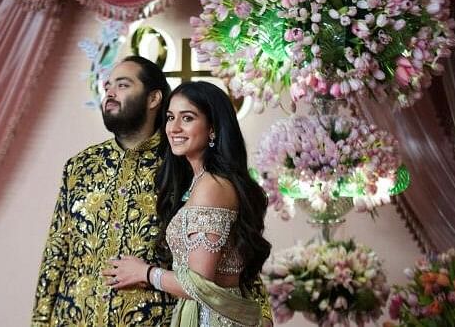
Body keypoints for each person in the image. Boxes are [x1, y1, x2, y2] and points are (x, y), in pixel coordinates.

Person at [102, 81, 273, 326]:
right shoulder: (203, 182)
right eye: (171, 117)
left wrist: (146, 273)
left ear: (212, 127)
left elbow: (199, 283)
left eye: (188, 118)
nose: (174, 128)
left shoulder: (212, 186)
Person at [31, 55, 176, 326]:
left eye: (122, 85)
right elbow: (56, 251)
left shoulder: (180, 166)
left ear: (153, 99)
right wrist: (40, 321)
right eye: (108, 86)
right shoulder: (81, 165)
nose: (109, 92)